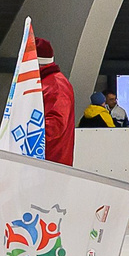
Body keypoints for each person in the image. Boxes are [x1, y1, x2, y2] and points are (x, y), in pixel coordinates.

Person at [33, 35, 76, 166]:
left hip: (51, 164)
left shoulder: (56, 86)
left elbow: (55, 125)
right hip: (42, 162)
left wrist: (26, 136)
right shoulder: (44, 83)